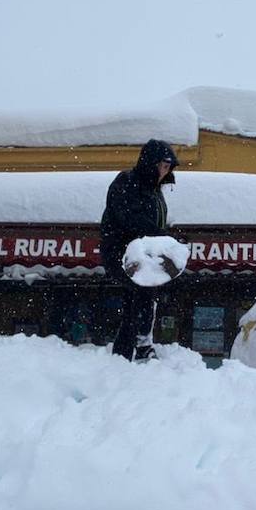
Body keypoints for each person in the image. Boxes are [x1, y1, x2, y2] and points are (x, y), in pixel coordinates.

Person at [100, 139, 179, 360]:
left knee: (144, 297)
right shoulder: (126, 181)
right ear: (150, 163)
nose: (165, 172)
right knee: (138, 295)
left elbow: (154, 224)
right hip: (122, 252)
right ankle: (132, 350)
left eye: (168, 168)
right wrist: (161, 236)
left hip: (145, 254)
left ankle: (137, 347)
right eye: (162, 166)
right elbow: (130, 218)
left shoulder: (156, 192)